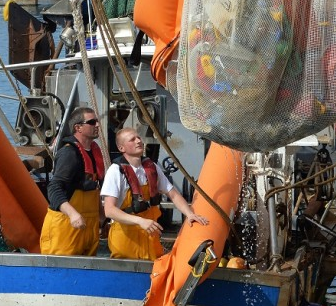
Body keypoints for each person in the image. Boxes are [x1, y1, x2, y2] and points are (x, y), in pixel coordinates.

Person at [100, 127, 209, 260]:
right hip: (126, 240)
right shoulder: (115, 171)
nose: (138, 141)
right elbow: (109, 210)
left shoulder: (151, 167)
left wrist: (190, 214)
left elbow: (173, 194)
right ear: (122, 148)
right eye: (132, 139)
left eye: (138, 137)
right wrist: (140, 221)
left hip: (151, 238)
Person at [39, 107, 105, 256]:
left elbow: (96, 187)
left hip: (88, 228)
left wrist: (102, 218)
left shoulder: (95, 152)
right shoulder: (69, 153)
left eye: (97, 121)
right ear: (78, 128)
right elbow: (54, 188)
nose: (97, 125)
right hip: (65, 228)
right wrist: (73, 214)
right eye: (92, 122)